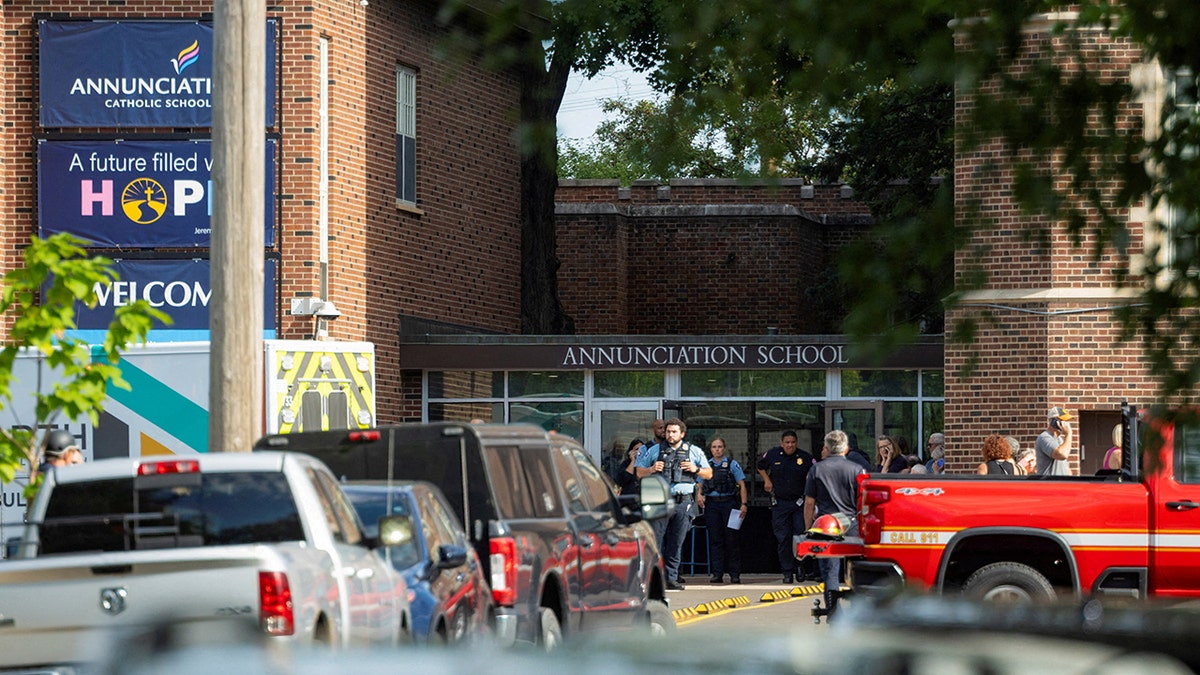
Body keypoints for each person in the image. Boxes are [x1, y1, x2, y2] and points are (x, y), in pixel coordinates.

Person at [636, 417, 711, 591]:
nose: (670, 435)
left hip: (682, 502)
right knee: (657, 541)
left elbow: (708, 473)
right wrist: (652, 469)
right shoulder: (654, 450)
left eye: (674, 431)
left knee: (676, 542)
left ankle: (671, 578)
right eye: (668, 431)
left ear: (682, 434)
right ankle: (654, 579)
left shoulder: (693, 451)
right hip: (660, 501)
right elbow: (639, 472)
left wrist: (696, 469)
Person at [803, 429, 865, 619]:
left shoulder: (817, 469)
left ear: (827, 448)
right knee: (856, 569)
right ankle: (859, 611)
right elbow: (862, 502)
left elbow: (809, 503)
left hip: (826, 525)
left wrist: (807, 529)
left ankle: (832, 610)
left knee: (830, 571)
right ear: (846, 448)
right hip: (850, 522)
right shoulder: (856, 470)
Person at [757, 430, 815, 584]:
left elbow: (815, 473)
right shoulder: (773, 454)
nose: (790, 445)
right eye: (787, 442)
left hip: (798, 503)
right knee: (783, 538)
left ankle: (801, 567)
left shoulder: (805, 457)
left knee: (800, 536)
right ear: (782, 443)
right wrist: (767, 480)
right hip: (780, 504)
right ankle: (787, 572)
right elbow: (760, 466)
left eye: (793, 442)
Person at [697, 437, 747, 584]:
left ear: (724, 448)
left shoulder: (732, 464)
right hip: (712, 505)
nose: (717, 449)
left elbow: (742, 485)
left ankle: (735, 574)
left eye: (719, 447)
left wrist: (744, 504)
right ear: (710, 449)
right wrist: (699, 495)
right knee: (715, 540)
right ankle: (717, 574)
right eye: (714, 447)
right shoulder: (706, 466)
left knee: (732, 539)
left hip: (729, 504)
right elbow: (699, 485)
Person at [1037, 406, 1075, 475]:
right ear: (1054, 421)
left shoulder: (1060, 439)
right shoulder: (1045, 437)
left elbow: (1065, 466)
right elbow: (1062, 454)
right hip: (1050, 483)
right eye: (1064, 421)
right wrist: (1069, 433)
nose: (1067, 424)